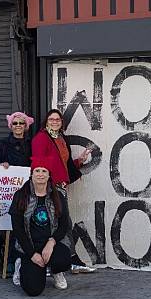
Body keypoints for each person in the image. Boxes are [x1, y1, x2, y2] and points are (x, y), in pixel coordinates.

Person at [31, 109, 95, 274]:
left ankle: (66, 260)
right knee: (58, 224)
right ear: (46, 121)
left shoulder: (60, 138)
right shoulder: (41, 138)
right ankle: (66, 260)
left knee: (61, 223)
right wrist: (47, 187)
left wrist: (79, 160)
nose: (54, 122)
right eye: (51, 119)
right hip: (50, 187)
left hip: (60, 187)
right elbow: (39, 166)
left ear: (62, 123)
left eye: (57, 119)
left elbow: (63, 165)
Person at [9, 157, 72, 296]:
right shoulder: (21, 195)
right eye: (37, 170)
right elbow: (17, 229)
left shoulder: (57, 195)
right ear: (32, 173)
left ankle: (56, 271)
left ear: (49, 175)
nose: (40, 174)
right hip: (29, 245)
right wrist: (31, 254)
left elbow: (64, 224)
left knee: (64, 259)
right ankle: (21, 265)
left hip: (50, 244)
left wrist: (52, 242)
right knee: (33, 290)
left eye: (44, 171)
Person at [0, 112, 35, 277]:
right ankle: (9, 261)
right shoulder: (3, 143)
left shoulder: (31, 143)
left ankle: (22, 259)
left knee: (25, 224)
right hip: (9, 190)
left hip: (26, 188)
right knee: (10, 226)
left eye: (21, 123)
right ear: (11, 126)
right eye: (15, 123)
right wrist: (1, 164)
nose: (18, 126)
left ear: (25, 126)